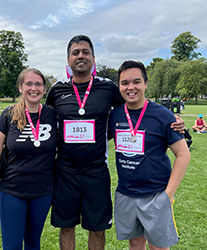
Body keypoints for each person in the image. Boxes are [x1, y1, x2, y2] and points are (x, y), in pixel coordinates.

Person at [45, 35, 185, 250]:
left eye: (85, 52)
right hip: (64, 171)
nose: (80, 56)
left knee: (97, 227)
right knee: (66, 227)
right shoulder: (57, 90)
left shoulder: (108, 87)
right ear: (68, 59)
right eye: (75, 52)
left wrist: (170, 120)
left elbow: (135, 105)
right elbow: (44, 119)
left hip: (96, 172)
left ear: (93, 58)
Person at [108, 60, 191, 250]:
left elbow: (183, 155)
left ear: (145, 83)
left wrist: (168, 195)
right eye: (125, 83)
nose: (131, 87)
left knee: (158, 246)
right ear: (119, 86)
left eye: (136, 82)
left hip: (156, 194)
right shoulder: (115, 116)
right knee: (135, 243)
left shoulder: (163, 115)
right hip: (125, 193)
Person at [0, 68, 57, 250]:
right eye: (28, 83)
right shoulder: (8, 114)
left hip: (43, 192)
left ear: (44, 89)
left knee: (32, 243)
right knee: (12, 245)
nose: (33, 88)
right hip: (13, 191)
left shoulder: (52, 114)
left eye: (38, 84)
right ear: (21, 87)